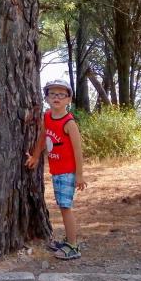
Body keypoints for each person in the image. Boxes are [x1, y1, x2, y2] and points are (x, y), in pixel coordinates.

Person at [25, 79, 87, 260]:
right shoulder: (47, 117)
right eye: (52, 94)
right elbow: (43, 137)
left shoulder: (69, 123)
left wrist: (80, 175)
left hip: (67, 171)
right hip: (56, 170)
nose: (56, 97)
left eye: (61, 94)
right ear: (47, 98)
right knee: (62, 206)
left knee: (65, 207)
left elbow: (77, 150)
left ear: (69, 99)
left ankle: (73, 246)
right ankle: (69, 240)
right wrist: (36, 156)